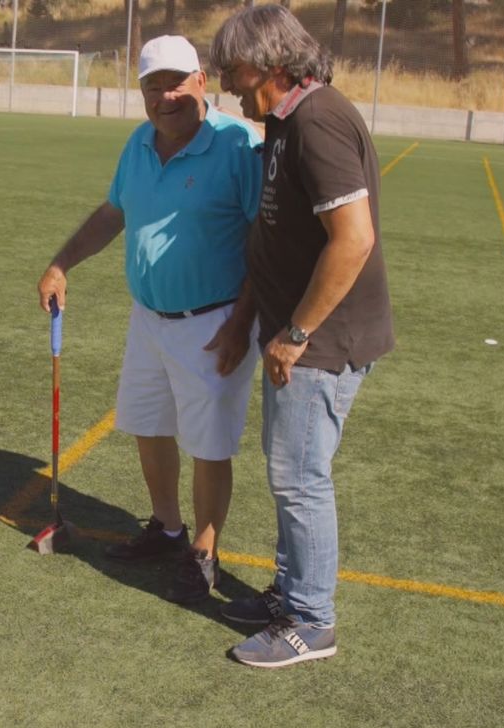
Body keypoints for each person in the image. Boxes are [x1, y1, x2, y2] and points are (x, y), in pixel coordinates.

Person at [36, 35, 262, 604]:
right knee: (148, 425)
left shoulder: (240, 145)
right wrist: (63, 262)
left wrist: (242, 324)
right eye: (154, 86)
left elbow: (266, 241)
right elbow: (115, 211)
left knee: (209, 445)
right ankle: (167, 529)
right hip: (148, 317)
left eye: (177, 83)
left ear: (202, 82)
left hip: (215, 320)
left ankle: (205, 554)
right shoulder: (139, 143)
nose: (167, 97)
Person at [208, 4, 395, 668]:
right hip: (295, 335)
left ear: (268, 61)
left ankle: (312, 620)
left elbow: (355, 239)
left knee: (299, 476)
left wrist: (295, 332)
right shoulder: (286, 123)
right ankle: (291, 594)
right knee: (290, 472)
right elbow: (277, 237)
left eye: (231, 69)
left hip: (319, 341)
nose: (226, 84)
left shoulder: (317, 121)